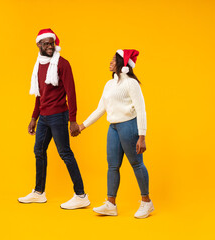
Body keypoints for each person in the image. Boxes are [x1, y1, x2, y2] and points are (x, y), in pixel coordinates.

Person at [18, 29, 90, 209]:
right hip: (43, 117)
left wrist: (72, 120)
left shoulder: (62, 64)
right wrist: (34, 117)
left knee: (65, 153)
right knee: (39, 151)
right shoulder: (39, 64)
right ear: (39, 45)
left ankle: (81, 195)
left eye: (52, 43)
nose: (50, 46)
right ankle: (39, 192)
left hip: (59, 115)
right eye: (46, 44)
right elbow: (39, 94)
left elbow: (71, 93)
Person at [79, 49, 154, 218]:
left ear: (122, 64)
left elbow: (141, 109)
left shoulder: (131, 83)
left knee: (136, 163)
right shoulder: (109, 84)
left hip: (129, 126)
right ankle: (110, 204)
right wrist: (82, 126)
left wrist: (142, 136)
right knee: (112, 165)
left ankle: (146, 202)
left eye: (113, 60)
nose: (110, 62)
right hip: (113, 128)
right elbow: (101, 109)